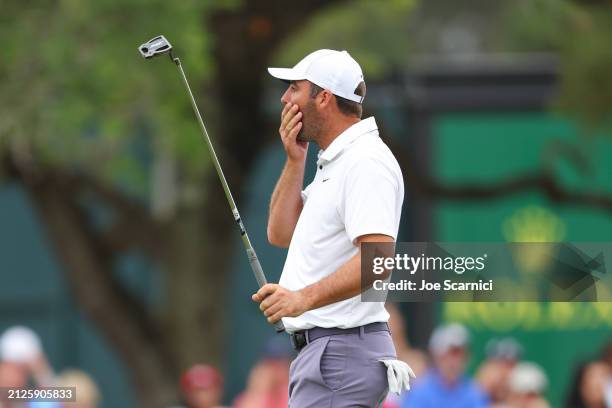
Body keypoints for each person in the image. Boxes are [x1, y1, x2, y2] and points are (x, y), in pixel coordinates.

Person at [253, 49, 411, 407]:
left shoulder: (365, 161)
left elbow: (377, 262)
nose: (284, 98)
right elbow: (279, 234)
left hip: (339, 356)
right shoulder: (337, 162)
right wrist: (296, 161)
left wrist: (301, 298)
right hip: (330, 355)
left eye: (294, 87)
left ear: (323, 97)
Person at [400, 323, 488, 408]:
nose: (455, 362)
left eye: (460, 354)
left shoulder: (474, 392)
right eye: (450, 354)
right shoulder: (420, 391)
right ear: (436, 356)